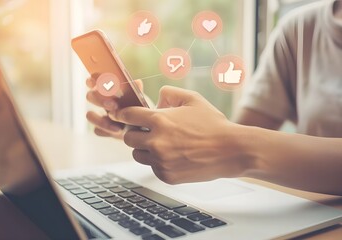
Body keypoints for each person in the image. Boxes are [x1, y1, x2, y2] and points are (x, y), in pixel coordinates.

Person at [86, 0, 342, 196]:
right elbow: (242, 131)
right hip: (309, 213)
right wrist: (156, 127)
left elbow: (234, 141)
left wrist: (236, 147)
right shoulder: (300, 28)